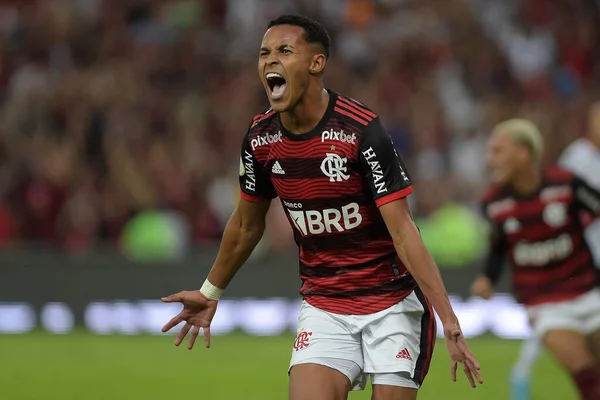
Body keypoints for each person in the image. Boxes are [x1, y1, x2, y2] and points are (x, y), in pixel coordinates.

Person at [160, 14, 482, 400]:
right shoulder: (260, 139)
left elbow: (403, 231)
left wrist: (449, 320)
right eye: (264, 53)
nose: (270, 61)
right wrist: (210, 291)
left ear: (316, 63)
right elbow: (247, 226)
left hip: (392, 305)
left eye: (284, 51)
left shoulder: (360, 131)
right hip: (325, 306)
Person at [471, 118, 600, 400]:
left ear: (523, 153)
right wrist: (487, 278)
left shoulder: (565, 185)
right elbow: (497, 248)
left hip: (590, 294)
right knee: (589, 381)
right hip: (545, 304)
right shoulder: (494, 203)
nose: (490, 159)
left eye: (497, 151)